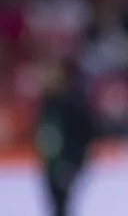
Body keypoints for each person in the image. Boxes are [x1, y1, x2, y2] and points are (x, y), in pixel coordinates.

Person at [35, 59, 96, 216]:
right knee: (55, 207)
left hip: (68, 163)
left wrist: (74, 162)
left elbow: (88, 132)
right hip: (51, 163)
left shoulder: (73, 104)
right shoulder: (46, 104)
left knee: (63, 206)